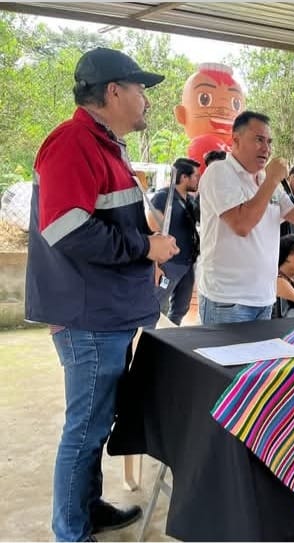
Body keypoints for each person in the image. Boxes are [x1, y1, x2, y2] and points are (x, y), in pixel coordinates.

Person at [24, 47, 179, 542]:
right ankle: (70, 532)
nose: (146, 100)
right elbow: (68, 231)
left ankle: (86, 510)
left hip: (105, 313)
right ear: (114, 91)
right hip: (88, 317)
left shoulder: (104, 146)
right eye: (140, 90)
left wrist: (146, 243)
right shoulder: (73, 143)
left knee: (94, 425)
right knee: (85, 430)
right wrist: (146, 247)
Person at [196, 110, 294, 324]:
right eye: (259, 140)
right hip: (227, 301)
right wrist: (271, 180)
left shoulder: (266, 181)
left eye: (269, 142)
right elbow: (242, 225)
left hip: (264, 298)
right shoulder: (219, 172)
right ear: (236, 140)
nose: (266, 148)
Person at [147, 157, 201, 325]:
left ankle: (169, 336)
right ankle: (147, 337)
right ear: (184, 177)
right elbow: (151, 228)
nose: (198, 180)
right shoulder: (164, 197)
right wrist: (155, 265)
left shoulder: (190, 201)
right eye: (196, 176)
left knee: (181, 307)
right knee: (156, 306)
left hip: (186, 264)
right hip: (169, 264)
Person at [174, 63, 245, 173]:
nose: (223, 110)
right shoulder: (201, 145)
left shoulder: (240, 147)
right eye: (204, 99)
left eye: (236, 104)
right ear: (181, 114)